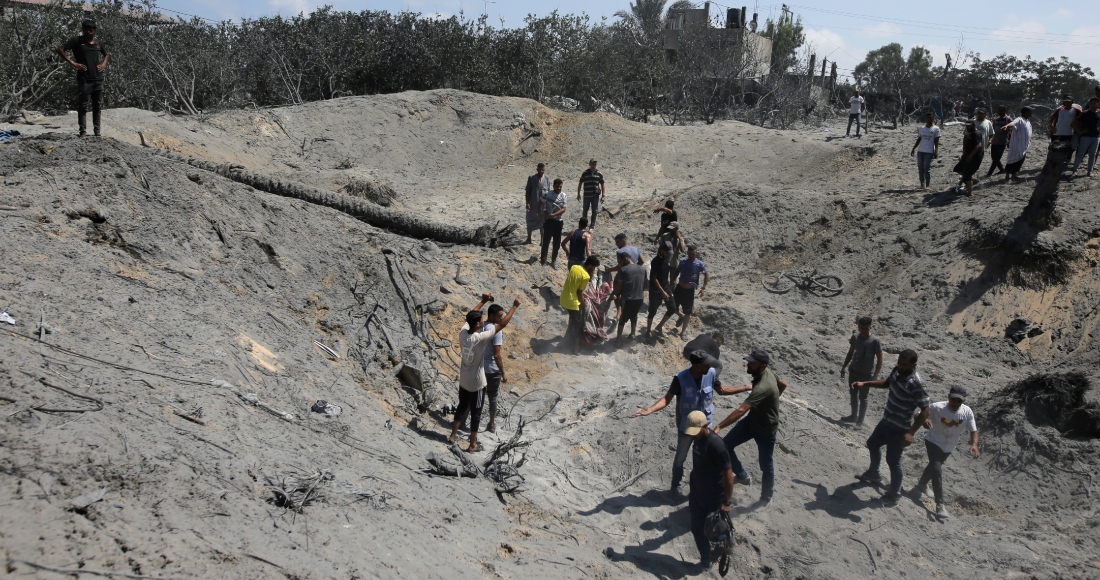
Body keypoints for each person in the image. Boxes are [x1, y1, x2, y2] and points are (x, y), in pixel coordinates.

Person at [631, 351, 745, 499]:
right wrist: (651, 409)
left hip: (705, 427)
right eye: (706, 364)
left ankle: (704, 487)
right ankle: (675, 487)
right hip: (687, 428)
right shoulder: (680, 379)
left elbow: (721, 390)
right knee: (680, 458)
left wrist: (744, 387)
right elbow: (667, 399)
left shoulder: (710, 373)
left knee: (706, 458)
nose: (710, 366)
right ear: (697, 366)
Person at [853, 350, 931, 504]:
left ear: (913, 365)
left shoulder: (916, 384)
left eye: (904, 364)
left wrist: (911, 432)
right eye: (899, 362)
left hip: (900, 428)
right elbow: (887, 383)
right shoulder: (897, 371)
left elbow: (926, 410)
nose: (900, 366)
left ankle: (894, 494)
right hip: (887, 421)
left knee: (893, 461)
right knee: (872, 444)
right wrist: (865, 383)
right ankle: (874, 473)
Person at [713, 349, 787, 506]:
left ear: (762, 366)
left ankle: (766, 497)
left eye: (752, 363)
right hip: (751, 422)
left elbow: (741, 410)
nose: (748, 364)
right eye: (749, 361)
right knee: (726, 446)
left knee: (766, 465)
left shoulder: (762, 388)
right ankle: (741, 475)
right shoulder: (767, 373)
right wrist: (773, 399)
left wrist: (719, 426)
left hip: (766, 430)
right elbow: (783, 384)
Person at [450, 293, 521, 451]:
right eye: (481, 320)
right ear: (477, 325)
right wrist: (515, 306)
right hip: (477, 382)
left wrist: (483, 301)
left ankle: (453, 435)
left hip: (464, 379)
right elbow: (502, 325)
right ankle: (473, 443)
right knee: (477, 411)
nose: (483, 321)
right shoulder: (481, 338)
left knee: (462, 406)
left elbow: (470, 316)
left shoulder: (463, 334)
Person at [910, 385, 979, 521]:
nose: (956, 403)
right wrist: (924, 421)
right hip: (933, 441)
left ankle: (922, 484)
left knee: (934, 466)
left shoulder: (967, 412)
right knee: (937, 469)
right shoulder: (937, 407)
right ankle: (940, 504)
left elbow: (973, 430)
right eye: (954, 400)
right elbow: (918, 414)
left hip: (949, 446)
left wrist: (974, 444)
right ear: (949, 397)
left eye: (959, 401)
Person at [685, 411, 734, 569]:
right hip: (697, 493)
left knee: (714, 531)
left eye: (695, 431)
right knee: (696, 528)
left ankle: (726, 537)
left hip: (714, 497)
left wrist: (727, 501)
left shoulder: (716, 445)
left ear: (705, 426)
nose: (692, 435)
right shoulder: (697, 438)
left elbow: (729, 475)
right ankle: (706, 558)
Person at [57, 20, 109, 138]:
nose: (89, 32)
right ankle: (83, 131)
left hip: (97, 79)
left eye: (91, 30)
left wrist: (104, 64)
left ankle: (97, 131)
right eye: (86, 29)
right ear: (83, 29)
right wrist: (73, 63)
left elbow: (106, 54)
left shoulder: (98, 43)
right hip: (84, 79)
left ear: (95, 31)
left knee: (97, 106)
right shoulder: (77, 41)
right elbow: (60, 49)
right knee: (83, 105)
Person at [839, 316, 884, 426]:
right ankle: (853, 416)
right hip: (854, 371)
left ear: (870, 328)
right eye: (861, 328)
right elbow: (850, 353)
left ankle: (860, 421)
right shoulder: (855, 337)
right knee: (853, 393)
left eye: (866, 328)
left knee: (863, 398)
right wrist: (844, 366)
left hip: (865, 374)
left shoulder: (875, 341)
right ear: (858, 327)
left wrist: (875, 376)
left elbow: (880, 359)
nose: (863, 330)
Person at [480, 304, 511, 434]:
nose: (502, 318)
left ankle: (465, 422)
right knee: (493, 397)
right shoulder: (495, 330)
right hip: (492, 369)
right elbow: (497, 354)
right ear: (491, 315)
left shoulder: (480, 326)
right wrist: (503, 372)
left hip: (480, 367)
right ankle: (492, 424)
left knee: (478, 397)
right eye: (499, 315)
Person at [560, 256, 600, 354]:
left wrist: (583, 293)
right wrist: (582, 303)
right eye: (594, 267)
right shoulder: (586, 276)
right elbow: (579, 293)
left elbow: (574, 284)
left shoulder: (574, 267)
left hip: (563, 297)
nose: (594, 269)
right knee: (578, 325)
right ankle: (576, 347)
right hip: (572, 302)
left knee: (573, 316)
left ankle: (568, 332)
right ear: (590, 266)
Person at [612, 252, 646, 346]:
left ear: (626, 259)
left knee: (623, 318)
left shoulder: (623, 270)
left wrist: (612, 294)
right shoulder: (642, 269)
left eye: (620, 262)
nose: (619, 264)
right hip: (640, 298)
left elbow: (619, 287)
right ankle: (633, 334)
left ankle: (618, 340)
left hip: (628, 298)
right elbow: (645, 284)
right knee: (634, 315)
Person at [674, 246, 708, 339]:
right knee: (672, 307)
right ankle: (680, 316)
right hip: (679, 287)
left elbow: (706, 274)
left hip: (689, 290)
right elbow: (678, 270)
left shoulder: (699, 264)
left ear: (696, 253)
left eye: (693, 254)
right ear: (687, 253)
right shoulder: (683, 261)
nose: (691, 256)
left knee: (688, 312)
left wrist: (703, 288)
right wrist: (672, 281)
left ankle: (683, 332)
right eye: (690, 254)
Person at [646, 241, 676, 340]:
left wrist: (668, 287)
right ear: (662, 251)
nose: (669, 254)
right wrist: (662, 292)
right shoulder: (656, 261)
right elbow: (654, 278)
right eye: (668, 252)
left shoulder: (666, 260)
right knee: (652, 310)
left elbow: (665, 275)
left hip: (666, 287)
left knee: (672, 308)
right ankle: (648, 331)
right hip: (656, 289)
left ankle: (659, 327)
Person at [540, 178, 567, 267]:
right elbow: (540, 202)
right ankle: (543, 260)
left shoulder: (563, 195)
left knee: (556, 242)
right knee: (546, 241)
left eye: (560, 187)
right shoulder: (548, 194)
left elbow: (564, 208)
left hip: (558, 222)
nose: (559, 188)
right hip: (548, 221)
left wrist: (554, 214)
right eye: (557, 186)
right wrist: (541, 213)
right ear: (553, 186)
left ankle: (553, 260)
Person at [1002, 107, 1034, 181]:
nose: (1031, 113)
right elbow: (1013, 123)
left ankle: (1014, 175)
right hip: (1017, 144)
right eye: (1030, 111)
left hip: (1024, 145)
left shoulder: (1027, 121)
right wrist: (1007, 126)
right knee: (1012, 159)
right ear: (1025, 112)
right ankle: (1007, 175)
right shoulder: (1019, 119)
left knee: (1020, 160)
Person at [910, 112, 940, 190]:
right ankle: (922, 184)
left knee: (927, 168)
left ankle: (928, 185)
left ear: (933, 118)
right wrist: (914, 148)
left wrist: (936, 151)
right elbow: (919, 139)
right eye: (928, 118)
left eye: (931, 117)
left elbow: (936, 141)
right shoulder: (922, 128)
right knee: (920, 168)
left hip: (929, 151)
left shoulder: (936, 129)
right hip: (920, 151)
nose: (929, 119)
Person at [1071, 97, 1100, 178]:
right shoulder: (1085, 113)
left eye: (1094, 103)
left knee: (1092, 155)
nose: (1092, 105)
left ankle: (1090, 171)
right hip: (1086, 137)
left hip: (1096, 137)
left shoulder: (1099, 112)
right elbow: (1074, 123)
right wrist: (1080, 131)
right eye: (1091, 103)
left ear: (1098, 103)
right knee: (1080, 154)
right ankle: (1074, 171)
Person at [952, 120, 983, 195]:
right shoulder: (970, 134)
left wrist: (971, 155)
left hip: (974, 157)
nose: (967, 127)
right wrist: (964, 153)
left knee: (968, 174)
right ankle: (973, 180)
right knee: (957, 169)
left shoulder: (976, 133)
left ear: (973, 125)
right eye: (966, 125)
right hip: (967, 156)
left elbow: (979, 145)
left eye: (969, 125)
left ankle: (970, 193)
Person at [524, 163, 550, 245]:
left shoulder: (547, 179)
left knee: (542, 222)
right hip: (532, 204)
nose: (541, 171)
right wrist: (527, 202)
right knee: (530, 220)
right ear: (537, 169)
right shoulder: (531, 178)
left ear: (544, 170)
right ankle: (529, 238)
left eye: (542, 169)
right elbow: (528, 191)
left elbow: (549, 192)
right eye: (539, 169)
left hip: (543, 205)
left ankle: (542, 240)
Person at [577, 159, 605, 229]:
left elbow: (602, 184)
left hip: (595, 196)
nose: (594, 165)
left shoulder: (599, 173)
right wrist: (578, 193)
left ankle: (592, 226)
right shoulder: (585, 173)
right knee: (585, 211)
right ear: (589, 164)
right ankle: (584, 226)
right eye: (592, 164)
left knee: (594, 211)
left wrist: (603, 195)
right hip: (586, 195)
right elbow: (580, 183)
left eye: (595, 164)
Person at [986, 106, 1013, 177]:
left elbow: (1012, 128)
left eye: (1002, 110)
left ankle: (989, 173)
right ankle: (1002, 169)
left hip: (1002, 141)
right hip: (995, 141)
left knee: (996, 158)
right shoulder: (996, 120)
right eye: (999, 110)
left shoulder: (1008, 119)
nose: (1000, 112)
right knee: (993, 157)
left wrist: (1010, 140)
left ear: (1005, 110)